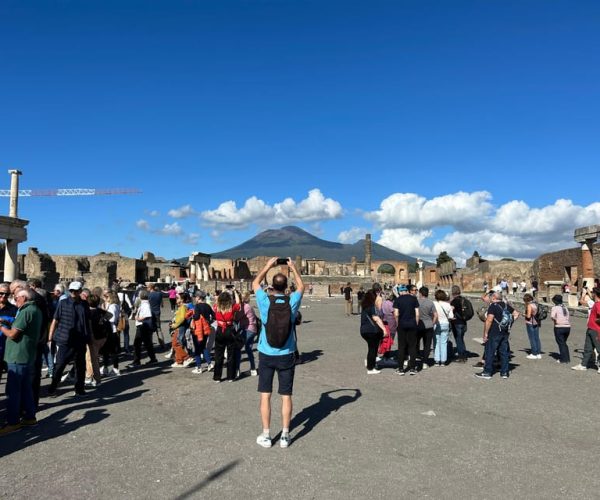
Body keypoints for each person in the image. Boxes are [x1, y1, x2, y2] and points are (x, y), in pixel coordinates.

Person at [252, 257, 304, 449]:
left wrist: (267, 265)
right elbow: (301, 286)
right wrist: (293, 268)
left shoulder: (265, 301)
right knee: (286, 396)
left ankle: (266, 435)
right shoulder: (292, 303)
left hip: (266, 354)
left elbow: (255, 283)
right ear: (286, 287)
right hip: (287, 354)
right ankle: (284, 435)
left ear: (272, 286)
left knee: (265, 395)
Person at [0, 288, 42, 436]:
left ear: (24, 298)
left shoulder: (26, 311)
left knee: (13, 391)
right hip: (27, 355)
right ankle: (30, 417)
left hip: (18, 356)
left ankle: (13, 422)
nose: (14, 299)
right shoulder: (35, 309)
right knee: (25, 389)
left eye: (16, 297)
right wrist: (6, 322)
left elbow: (12, 334)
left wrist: (1, 327)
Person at [48, 281, 92, 397]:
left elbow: (88, 322)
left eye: (76, 291)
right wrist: (50, 337)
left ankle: (79, 389)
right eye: (71, 291)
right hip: (64, 339)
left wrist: (89, 337)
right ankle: (53, 387)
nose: (73, 293)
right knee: (60, 365)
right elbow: (55, 320)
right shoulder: (63, 303)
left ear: (80, 291)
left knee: (80, 366)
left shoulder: (84, 304)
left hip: (80, 339)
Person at [475, 291, 518, 380]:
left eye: (491, 296)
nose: (490, 298)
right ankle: (504, 372)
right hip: (505, 332)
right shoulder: (506, 305)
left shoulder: (493, 306)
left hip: (494, 332)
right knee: (504, 352)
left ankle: (487, 372)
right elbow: (516, 313)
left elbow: (489, 320)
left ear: (494, 297)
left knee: (490, 352)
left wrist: (485, 333)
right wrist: (509, 322)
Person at [212, 290, 241, 381]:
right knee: (231, 354)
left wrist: (222, 292)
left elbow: (216, 302)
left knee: (218, 354)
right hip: (229, 329)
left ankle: (217, 377)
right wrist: (235, 293)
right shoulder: (232, 307)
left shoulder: (217, 307)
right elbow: (238, 303)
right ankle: (230, 376)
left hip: (220, 330)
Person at [571, 287, 600, 372]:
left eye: (592, 293)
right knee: (588, 348)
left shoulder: (598, 304)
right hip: (590, 328)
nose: (592, 294)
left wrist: (596, 320)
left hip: (596, 330)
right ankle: (583, 365)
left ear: (595, 294)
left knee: (599, 348)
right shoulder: (595, 303)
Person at [127, 289, 158, 368]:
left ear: (141, 296)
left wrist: (139, 318)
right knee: (147, 344)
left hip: (143, 326)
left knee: (137, 344)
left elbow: (148, 315)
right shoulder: (144, 303)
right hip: (143, 326)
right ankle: (153, 359)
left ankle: (136, 361)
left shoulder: (145, 304)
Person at [393, 284, 420, 375]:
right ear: (407, 291)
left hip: (402, 325)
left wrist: (397, 323)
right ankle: (412, 368)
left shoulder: (397, 300)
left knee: (401, 346)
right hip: (412, 324)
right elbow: (417, 313)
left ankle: (400, 369)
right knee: (412, 346)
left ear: (400, 292)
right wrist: (416, 323)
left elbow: (396, 314)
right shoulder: (414, 299)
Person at [359, 290, 387, 374]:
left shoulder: (364, 306)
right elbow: (376, 319)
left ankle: (371, 364)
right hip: (371, 330)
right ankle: (370, 368)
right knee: (372, 349)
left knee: (371, 348)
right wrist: (384, 329)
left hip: (364, 330)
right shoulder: (371, 306)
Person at [85, 294, 108, 387]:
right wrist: (102, 320)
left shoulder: (89, 313)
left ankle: (92, 378)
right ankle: (93, 377)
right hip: (102, 336)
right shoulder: (100, 311)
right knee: (92, 357)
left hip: (94, 337)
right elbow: (110, 315)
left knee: (90, 358)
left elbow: (89, 327)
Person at [192, 290, 215, 373]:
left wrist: (192, 316)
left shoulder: (197, 306)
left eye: (195, 297)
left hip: (198, 329)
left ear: (198, 297)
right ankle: (209, 364)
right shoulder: (207, 306)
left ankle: (199, 367)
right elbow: (214, 316)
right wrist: (208, 322)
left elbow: (197, 317)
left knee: (197, 348)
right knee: (203, 347)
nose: (194, 298)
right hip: (206, 329)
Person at [236, 291, 258, 377]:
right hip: (252, 329)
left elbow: (237, 317)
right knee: (248, 349)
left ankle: (237, 369)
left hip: (247, 329)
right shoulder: (249, 306)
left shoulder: (245, 307)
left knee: (238, 348)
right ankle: (253, 369)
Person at [0, 282, 18, 385]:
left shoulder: (13, 309)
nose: (4, 296)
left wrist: (6, 322)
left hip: (5, 346)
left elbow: (17, 326)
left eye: (7, 294)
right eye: (1, 293)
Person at [100, 291, 121, 376]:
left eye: (106, 296)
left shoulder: (113, 306)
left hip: (111, 331)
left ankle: (115, 369)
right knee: (106, 351)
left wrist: (103, 313)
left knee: (112, 351)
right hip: (110, 330)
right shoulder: (114, 306)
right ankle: (105, 367)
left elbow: (111, 319)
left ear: (110, 298)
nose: (105, 298)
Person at [416, 286, 437, 369]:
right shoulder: (431, 303)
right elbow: (435, 315)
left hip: (418, 325)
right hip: (428, 325)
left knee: (416, 342)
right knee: (427, 345)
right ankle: (425, 362)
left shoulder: (416, 302)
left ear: (420, 293)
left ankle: (416, 357)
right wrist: (432, 323)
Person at [433, 289, 454, 366]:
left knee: (436, 342)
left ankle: (437, 360)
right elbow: (451, 316)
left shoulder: (434, 304)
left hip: (437, 323)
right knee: (444, 342)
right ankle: (443, 361)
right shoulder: (447, 305)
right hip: (445, 324)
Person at [450, 285, 469, 362]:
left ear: (453, 292)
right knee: (461, 339)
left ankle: (461, 357)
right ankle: (463, 354)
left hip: (457, 322)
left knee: (458, 339)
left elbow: (451, 311)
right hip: (464, 322)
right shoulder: (463, 300)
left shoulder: (455, 301)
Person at [550, 294, 571, 364]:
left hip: (559, 327)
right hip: (567, 326)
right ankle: (567, 357)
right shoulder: (565, 307)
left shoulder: (555, 308)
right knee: (564, 343)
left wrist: (556, 321)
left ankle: (563, 359)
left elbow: (553, 317)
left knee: (561, 343)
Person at [523, 293, 542, 359]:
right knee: (537, 338)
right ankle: (538, 353)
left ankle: (534, 353)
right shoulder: (536, 304)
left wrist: (524, 315)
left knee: (532, 338)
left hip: (530, 323)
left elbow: (528, 316)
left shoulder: (529, 305)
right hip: (537, 322)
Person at [148, 284, 165, 349]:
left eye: (148, 287)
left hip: (151, 312)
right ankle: (162, 344)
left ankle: (150, 344)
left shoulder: (149, 295)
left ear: (150, 288)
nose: (147, 289)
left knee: (150, 329)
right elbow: (161, 303)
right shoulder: (159, 294)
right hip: (157, 312)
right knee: (158, 328)